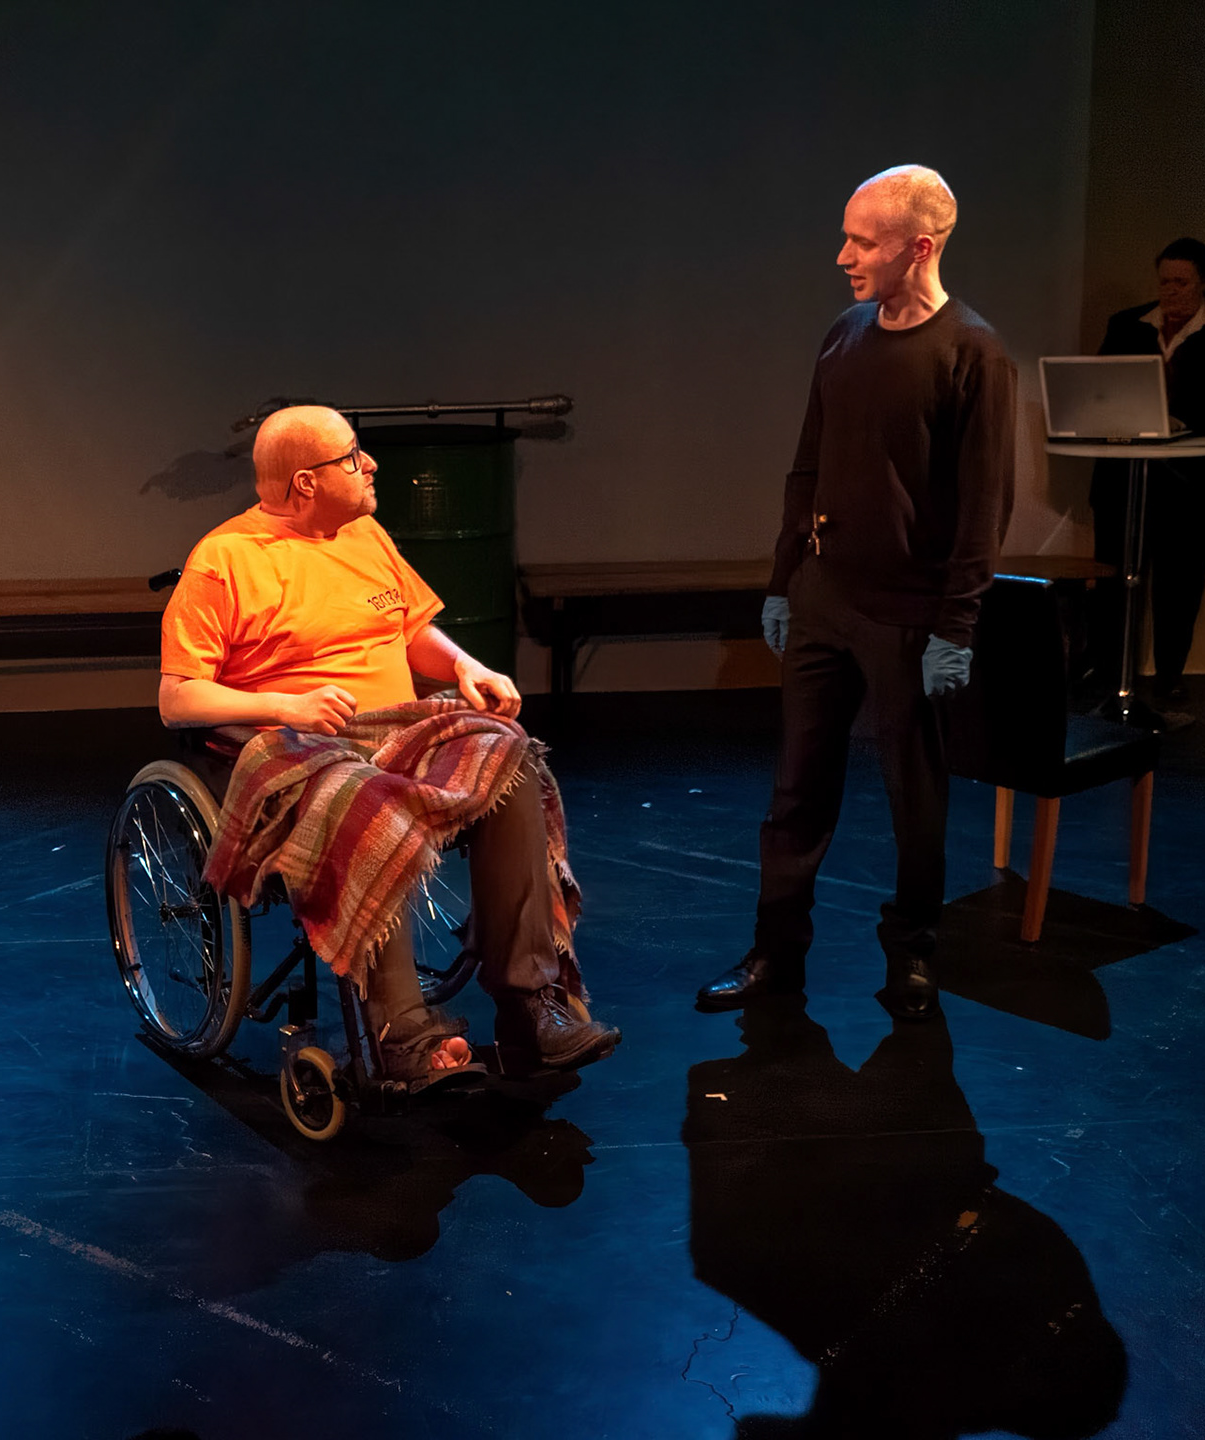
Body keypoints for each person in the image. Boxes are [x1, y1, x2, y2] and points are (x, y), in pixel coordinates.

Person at [158, 404, 619, 1082]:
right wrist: (284, 704)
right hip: (297, 745)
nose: (370, 464)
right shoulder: (224, 560)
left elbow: (408, 629)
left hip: (395, 729)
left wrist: (464, 666)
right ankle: (401, 1035)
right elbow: (177, 697)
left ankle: (529, 1006)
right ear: (306, 483)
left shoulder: (363, 534)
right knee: (367, 799)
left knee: (509, 756)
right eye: (351, 457)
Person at [695, 165, 1016, 1021]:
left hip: (909, 615)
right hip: (823, 598)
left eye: (863, 242)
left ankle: (912, 952)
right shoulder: (844, 334)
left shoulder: (973, 353)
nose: (843, 256)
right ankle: (776, 951)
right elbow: (807, 466)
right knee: (797, 786)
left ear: (920, 248)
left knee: (915, 796)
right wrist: (783, 582)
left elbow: (984, 504)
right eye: (846, 237)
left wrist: (956, 625)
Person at [1088, 237, 1205, 703]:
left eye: (1182, 282)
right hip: (1125, 481)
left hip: (1194, 485)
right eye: (1165, 281)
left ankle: (1168, 678)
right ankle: (1108, 674)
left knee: (1179, 585)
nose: (1171, 291)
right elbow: (1100, 390)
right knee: (1115, 578)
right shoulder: (1128, 325)